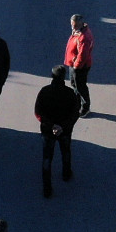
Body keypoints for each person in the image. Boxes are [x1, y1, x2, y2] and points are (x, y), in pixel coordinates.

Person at [33, 65, 81, 197]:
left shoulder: (44, 91)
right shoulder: (70, 93)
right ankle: (66, 173)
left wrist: (51, 126)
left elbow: (38, 113)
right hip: (64, 131)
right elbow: (74, 114)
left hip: (48, 131)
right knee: (65, 151)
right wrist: (62, 127)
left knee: (47, 158)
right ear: (63, 77)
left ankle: (47, 188)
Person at [64, 15, 95, 117]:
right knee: (74, 85)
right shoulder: (78, 31)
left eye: (75, 25)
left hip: (79, 67)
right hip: (74, 64)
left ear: (81, 24)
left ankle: (85, 108)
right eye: (72, 25)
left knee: (80, 87)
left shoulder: (83, 37)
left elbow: (82, 55)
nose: (73, 27)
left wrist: (76, 67)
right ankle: (77, 104)